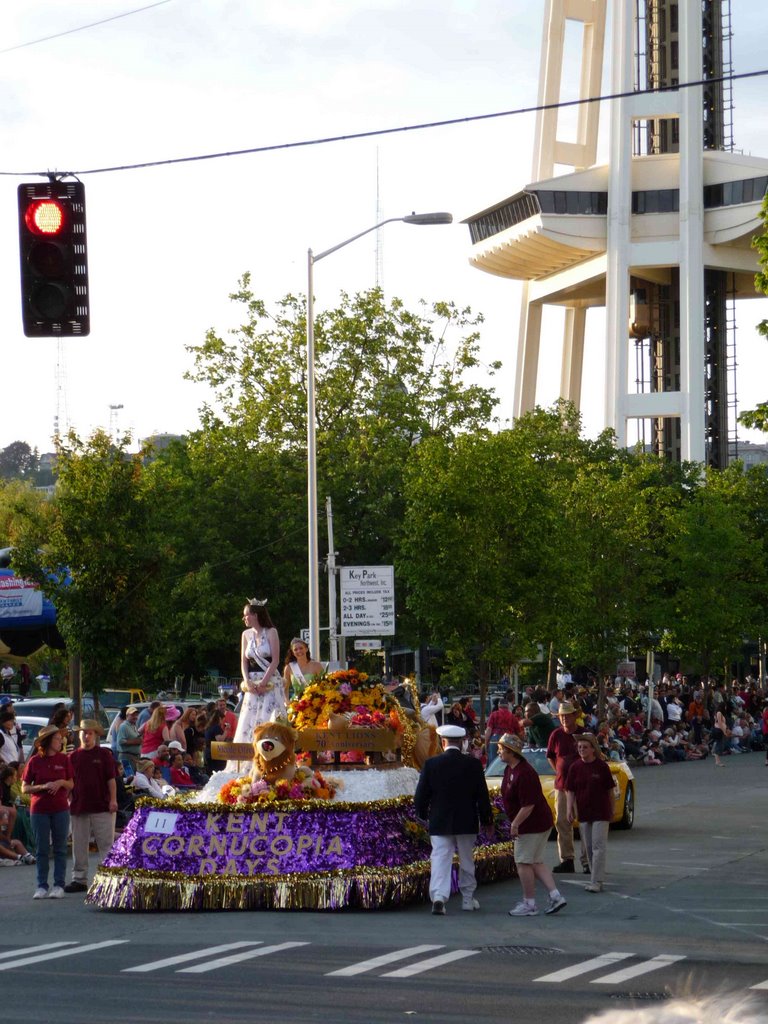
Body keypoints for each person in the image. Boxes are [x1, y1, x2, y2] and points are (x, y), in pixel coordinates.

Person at [413, 723, 493, 915]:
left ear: (443, 742)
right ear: (462, 742)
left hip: (439, 820)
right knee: (466, 859)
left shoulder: (431, 764)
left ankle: (439, 897)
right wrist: (487, 820)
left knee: (440, 858)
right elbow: (482, 795)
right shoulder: (473, 764)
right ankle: (467, 899)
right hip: (467, 820)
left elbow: (421, 795)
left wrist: (422, 815)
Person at [496, 732, 566, 916]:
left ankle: (529, 903)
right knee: (535, 861)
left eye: (502, 749)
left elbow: (528, 804)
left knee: (523, 862)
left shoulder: (524, 773)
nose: (499, 752)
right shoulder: (510, 769)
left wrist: (515, 824)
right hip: (536, 822)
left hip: (531, 824)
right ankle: (556, 896)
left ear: (512, 752)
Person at [227, 599, 283, 772]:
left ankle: (271, 760)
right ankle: (245, 763)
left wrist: (263, 683)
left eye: (246, 615)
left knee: (267, 719)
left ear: (255, 615)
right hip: (252, 682)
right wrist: (247, 681)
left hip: (268, 681)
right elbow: (244, 661)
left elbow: (275, 660)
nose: (244, 618)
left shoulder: (271, 632)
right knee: (248, 720)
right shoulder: (246, 635)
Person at [64, 719, 117, 894]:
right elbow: (69, 782)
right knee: (79, 844)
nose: (86, 736)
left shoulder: (104, 755)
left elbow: (111, 780)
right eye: (83, 733)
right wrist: (70, 797)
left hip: (102, 805)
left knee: (106, 843)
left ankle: (107, 877)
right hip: (79, 805)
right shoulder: (72, 757)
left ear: (95, 735)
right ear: (79, 735)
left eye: (90, 733)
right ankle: (79, 879)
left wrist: (113, 800)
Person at [21, 725, 73, 899]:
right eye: (57, 739)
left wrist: (61, 782)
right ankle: (41, 885)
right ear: (48, 741)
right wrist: (43, 786)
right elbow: (24, 788)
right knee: (42, 849)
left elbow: (71, 783)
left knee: (60, 848)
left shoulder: (64, 759)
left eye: (61, 738)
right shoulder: (35, 761)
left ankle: (59, 885)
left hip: (60, 808)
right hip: (39, 809)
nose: (61, 741)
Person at [565, 733, 615, 893]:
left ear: (593, 749)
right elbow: (570, 790)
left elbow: (610, 790)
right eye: (579, 747)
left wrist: (612, 809)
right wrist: (569, 809)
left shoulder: (601, 766)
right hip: (584, 812)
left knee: (598, 846)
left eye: (585, 747)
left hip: (601, 811)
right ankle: (595, 877)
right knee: (588, 847)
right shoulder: (575, 767)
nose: (582, 750)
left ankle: (596, 880)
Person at [546, 700, 587, 873]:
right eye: (561, 716)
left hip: (583, 786)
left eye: (566, 715)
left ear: (574, 716)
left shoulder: (584, 734)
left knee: (585, 823)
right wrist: (561, 772)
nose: (563, 718)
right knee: (562, 822)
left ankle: (588, 861)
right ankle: (567, 859)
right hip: (562, 785)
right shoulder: (555, 734)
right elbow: (551, 757)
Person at [117, 706, 142, 770]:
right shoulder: (124, 726)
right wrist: (135, 742)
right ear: (127, 716)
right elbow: (121, 741)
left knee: (134, 778)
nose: (135, 717)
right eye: (132, 715)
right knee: (128, 777)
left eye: (136, 715)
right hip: (126, 757)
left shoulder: (134, 725)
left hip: (134, 757)